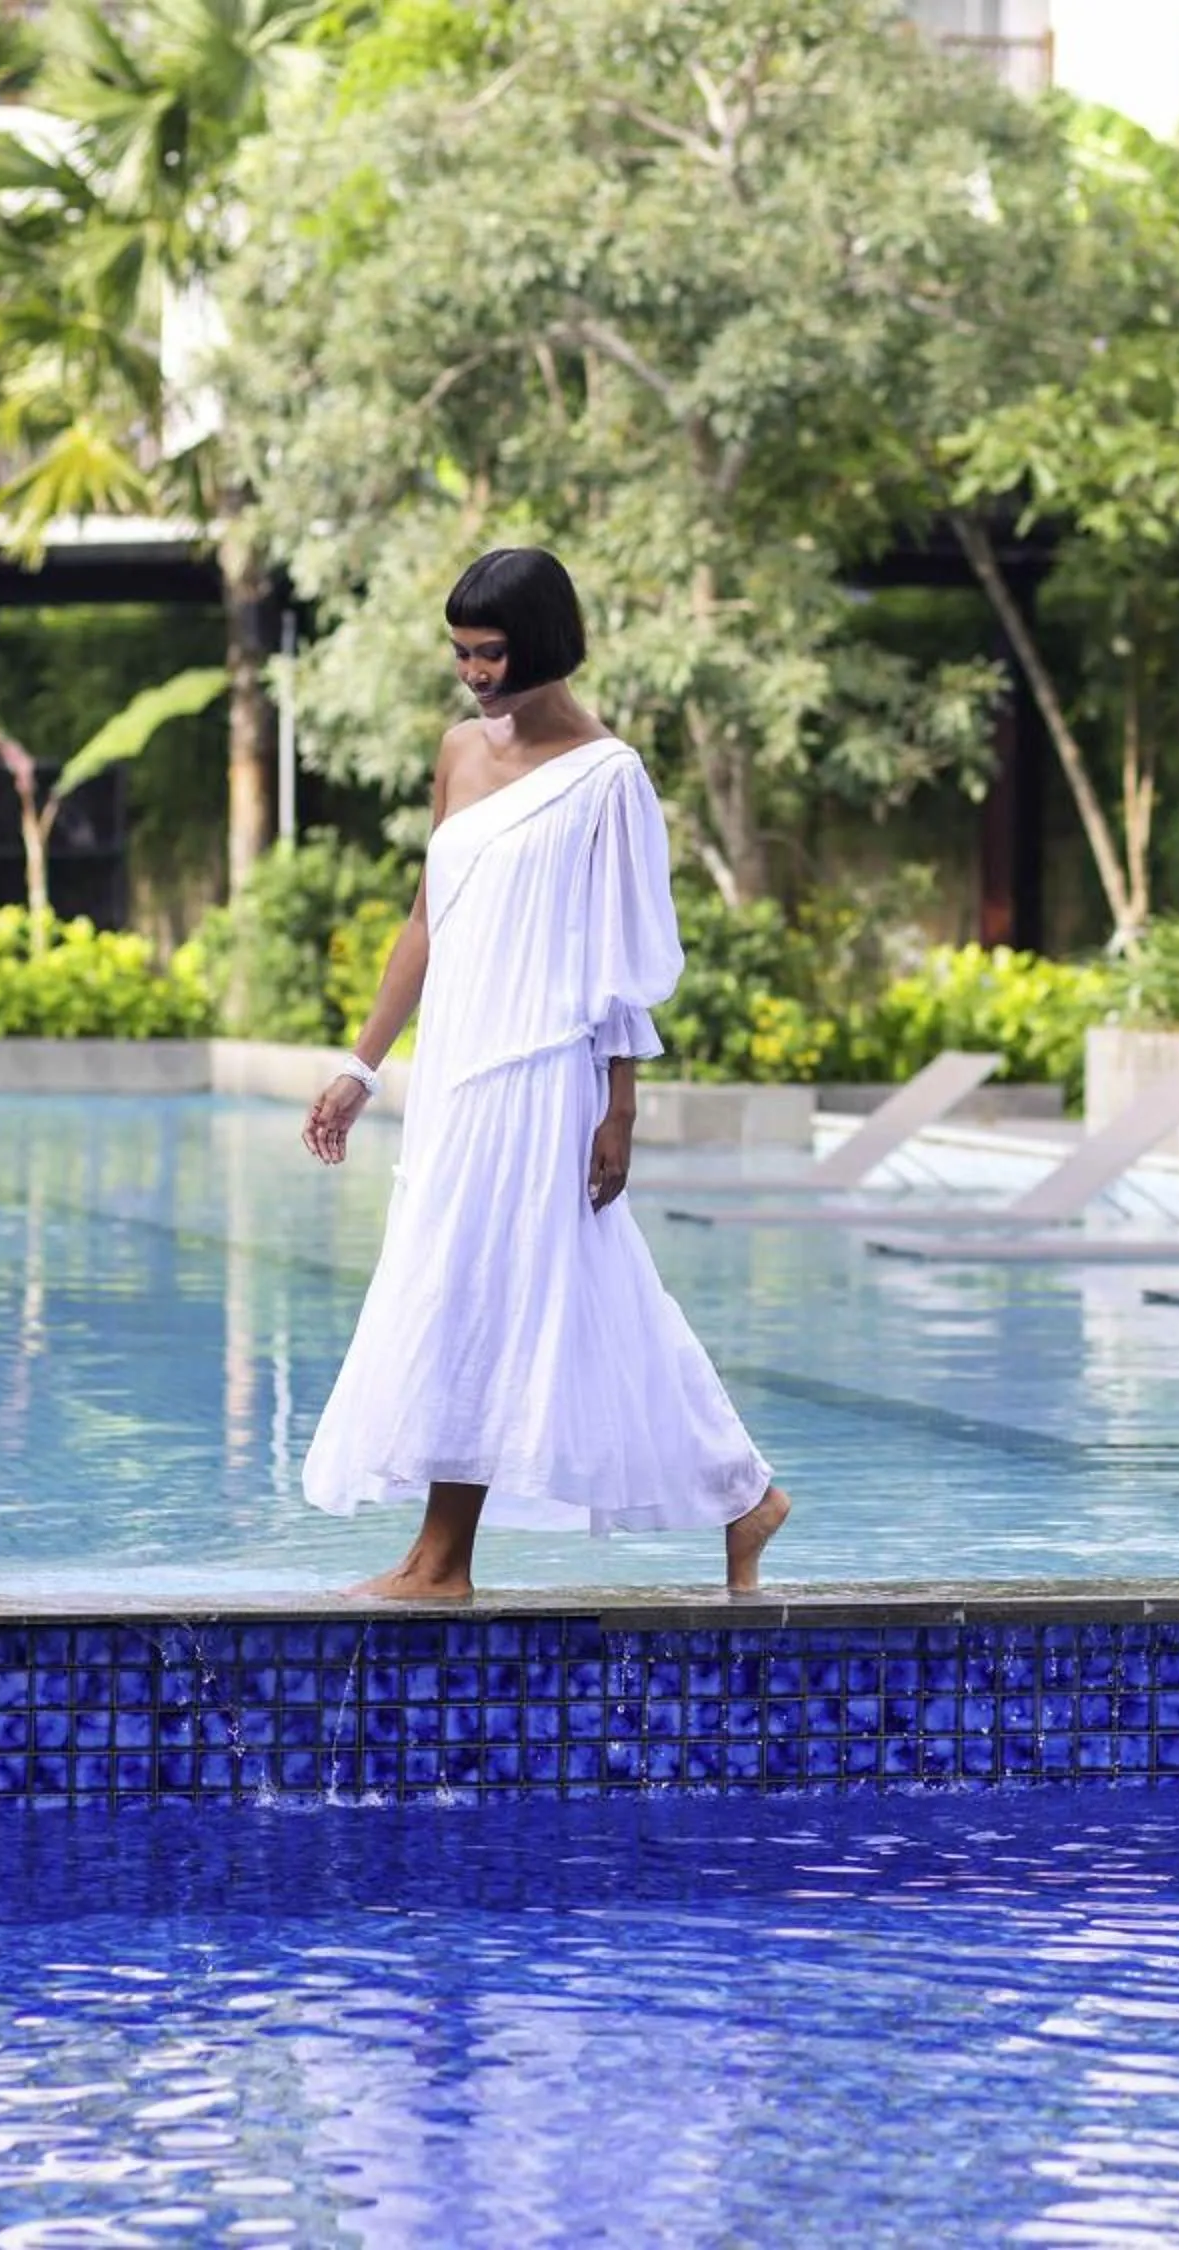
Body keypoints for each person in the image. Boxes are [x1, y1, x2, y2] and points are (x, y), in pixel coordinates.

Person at [297, 547, 793, 1599]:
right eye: (461, 654)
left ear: (544, 645)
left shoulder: (609, 777)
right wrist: (361, 1067)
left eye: (491, 653)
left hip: (543, 1077)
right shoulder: (457, 753)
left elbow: (623, 955)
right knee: (564, 1292)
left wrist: (620, 1108)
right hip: (457, 1073)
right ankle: (743, 1494)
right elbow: (426, 922)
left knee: (478, 1289)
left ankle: (442, 1562)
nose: (473, 673)